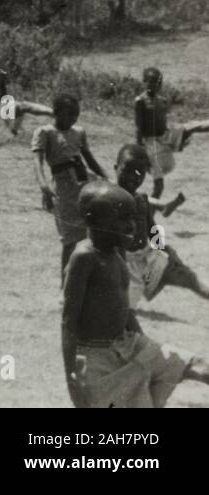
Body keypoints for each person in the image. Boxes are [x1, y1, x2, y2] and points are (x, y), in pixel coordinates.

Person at [62, 183, 209, 408]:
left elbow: (124, 308)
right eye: (122, 218)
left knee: (197, 366)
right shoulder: (84, 258)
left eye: (133, 217)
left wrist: (146, 348)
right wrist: (71, 375)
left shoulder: (118, 251)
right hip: (96, 359)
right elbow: (69, 321)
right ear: (94, 220)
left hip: (129, 344)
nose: (132, 225)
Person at [114, 144, 203, 306]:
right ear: (116, 168)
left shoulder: (141, 198)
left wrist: (165, 250)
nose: (134, 177)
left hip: (147, 257)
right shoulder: (108, 199)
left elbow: (152, 228)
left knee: (186, 276)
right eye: (128, 170)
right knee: (123, 310)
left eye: (140, 173)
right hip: (123, 264)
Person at [33, 94, 109, 276]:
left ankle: (87, 280)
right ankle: (65, 282)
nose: (74, 118)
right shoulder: (45, 133)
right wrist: (43, 186)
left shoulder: (79, 132)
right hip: (63, 187)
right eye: (69, 114)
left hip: (84, 183)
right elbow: (38, 162)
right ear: (56, 113)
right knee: (69, 238)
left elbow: (90, 160)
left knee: (90, 233)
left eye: (76, 114)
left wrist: (105, 178)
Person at [0, 44, 52, 202]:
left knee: (23, 106)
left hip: (1, 108)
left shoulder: (0, 74)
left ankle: (53, 112)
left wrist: (9, 119)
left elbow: (5, 97)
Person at [134, 67, 209, 198]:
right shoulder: (140, 101)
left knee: (194, 126)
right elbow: (139, 127)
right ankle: (150, 214)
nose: (156, 86)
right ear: (144, 82)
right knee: (159, 186)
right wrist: (140, 147)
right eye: (151, 82)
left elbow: (162, 121)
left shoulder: (162, 100)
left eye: (158, 83)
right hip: (151, 143)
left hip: (166, 136)